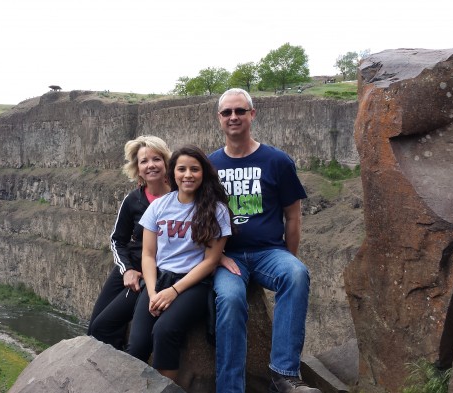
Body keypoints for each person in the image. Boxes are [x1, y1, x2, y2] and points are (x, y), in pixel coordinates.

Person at [208, 88, 321, 393]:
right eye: (227, 112)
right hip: (227, 256)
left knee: (296, 273)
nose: (234, 117)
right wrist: (216, 258)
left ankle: (284, 374)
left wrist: (290, 256)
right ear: (219, 119)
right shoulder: (210, 166)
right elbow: (199, 220)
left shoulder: (277, 161)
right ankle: (230, 388)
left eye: (240, 111)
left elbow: (293, 216)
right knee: (230, 300)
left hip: (269, 252)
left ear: (252, 114)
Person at [126, 145, 232, 382]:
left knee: (165, 332)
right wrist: (153, 292)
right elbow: (149, 255)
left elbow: (211, 261)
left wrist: (173, 291)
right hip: (159, 279)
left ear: (203, 173)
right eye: (182, 169)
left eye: (194, 169)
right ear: (172, 173)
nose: (188, 175)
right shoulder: (159, 206)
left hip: (193, 283)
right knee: (138, 344)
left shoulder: (217, 210)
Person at [87, 135, 172, 350]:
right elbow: (117, 240)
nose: (151, 165)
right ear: (137, 168)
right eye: (144, 161)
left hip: (153, 271)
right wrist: (126, 270)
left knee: (104, 326)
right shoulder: (134, 199)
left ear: (165, 161)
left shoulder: (179, 196)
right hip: (130, 265)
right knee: (94, 328)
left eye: (156, 159)